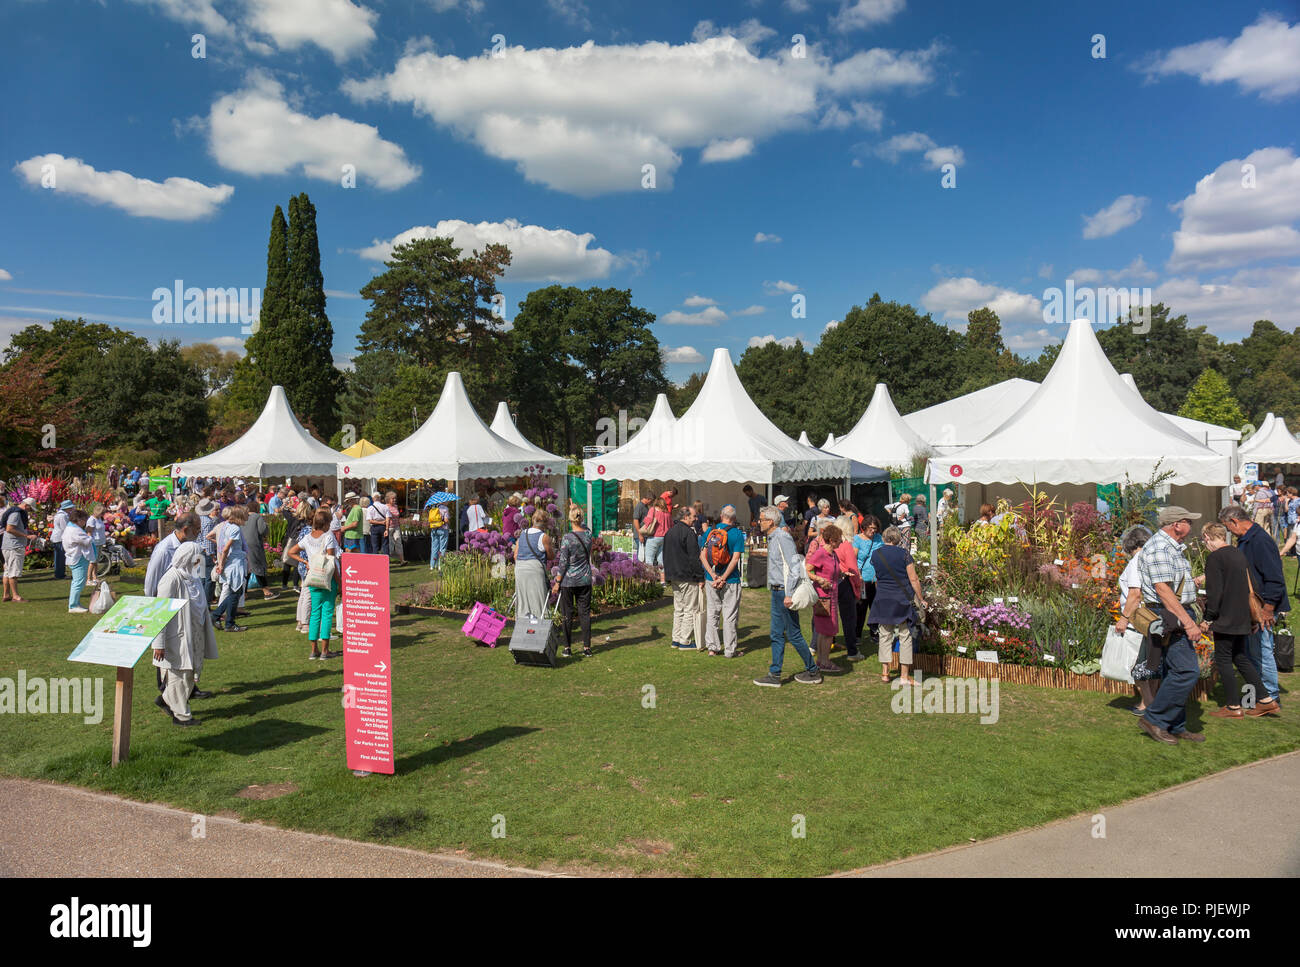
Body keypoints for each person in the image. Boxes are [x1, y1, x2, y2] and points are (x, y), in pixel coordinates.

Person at [1135, 507, 1206, 744]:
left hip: (1171, 613)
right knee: (1187, 670)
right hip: (1169, 614)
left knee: (1172, 670)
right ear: (1176, 524)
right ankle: (1154, 719)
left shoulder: (1170, 548)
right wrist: (1188, 623)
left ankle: (1174, 725)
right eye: (1188, 521)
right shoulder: (1160, 548)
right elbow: (1163, 591)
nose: (1191, 526)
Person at [1198, 523, 1271, 719]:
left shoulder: (1215, 558)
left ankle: (1232, 706)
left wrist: (1208, 618)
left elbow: (1215, 593)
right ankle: (1265, 699)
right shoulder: (1239, 554)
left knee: (1223, 660)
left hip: (1226, 618)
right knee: (1240, 657)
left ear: (1207, 537)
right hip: (1242, 617)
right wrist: (1253, 620)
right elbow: (1252, 586)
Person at [1219, 505, 1285, 711]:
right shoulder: (1248, 539)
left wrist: (1268, 608)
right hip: (1252, 606)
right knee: (1252, 652)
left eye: (1228, 528)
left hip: (1262, 606)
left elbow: (1275, 578)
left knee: (1261, 651)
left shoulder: (1260, 541)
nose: (1229, 532)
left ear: (1234, 521)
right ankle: (1260, 697)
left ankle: (1270, 697)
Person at [753, 506, 821, 687]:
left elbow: (794, 567)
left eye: (761, 519)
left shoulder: (782, 537)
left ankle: (812, 670)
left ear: (771, 521)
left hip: (784, 592)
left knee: (793, 633)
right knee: (777, 633)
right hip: (777, 592)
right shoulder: (773, 537)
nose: (759, 522)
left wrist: (789, 594)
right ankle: (775, 674)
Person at [152, 544, 217, 726]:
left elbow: (198, 601)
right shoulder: (171, 579)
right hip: (177, 635)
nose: (199, 561)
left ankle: (165, 700)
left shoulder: (193, 576)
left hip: (194, 633)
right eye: (197, 557)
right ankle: (181, 716)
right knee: (179, 675)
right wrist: (159, 643)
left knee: (189, 673)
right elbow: (160, 612)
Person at [1114, 525, 1160, 715]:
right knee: (1152, 662)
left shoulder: (1136, 562)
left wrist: (1124, 618)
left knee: (1137, 663)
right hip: (1154, 616)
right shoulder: (1152, 559)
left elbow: (1135, 594)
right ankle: (1149, 701)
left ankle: (1149, 704)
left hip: (1139, 618)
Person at [871, 525, 925, 685]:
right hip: (902, 599)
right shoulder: (904, 554)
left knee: (885, 635)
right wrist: (921, 598)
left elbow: (877, 577)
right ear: (898, 539)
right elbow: (913, 579)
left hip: (883, 598)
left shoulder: (876, 554)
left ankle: (885, 673)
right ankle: (904, 675)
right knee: (905, 636)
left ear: (884, 538)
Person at [286, 508, 342, 661]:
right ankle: (325, 650)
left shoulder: (308, 538)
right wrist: (340, 583)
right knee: (327, 613)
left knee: (315, 614)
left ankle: (314, 650)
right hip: (327, 578)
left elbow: (291, 551)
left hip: (313, 578)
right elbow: (331, 563)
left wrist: (305, 562)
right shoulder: (328, 536)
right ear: (326, 524)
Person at [700, 504, 745, 657]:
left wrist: (713, 576)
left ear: (721, 516)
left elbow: (702, 556)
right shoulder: (737, 534)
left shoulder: (709, 532)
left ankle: (712, 647)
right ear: (734, 518)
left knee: (713, 613)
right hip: (731, 579)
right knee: (730, 615)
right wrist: (723, 578)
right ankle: (730, 650)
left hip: (711, 578)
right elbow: (735, 559)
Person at [552, 506, 594, 658]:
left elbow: (563, 563)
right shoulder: (588, 535)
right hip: (585, 579)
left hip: (569, 581)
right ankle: (587, 647)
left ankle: (567, 647)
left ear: (570, 520)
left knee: (567, 615)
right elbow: (587, 528)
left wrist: (557, 581)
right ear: (581, 519)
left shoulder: (567, 538)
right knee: (584, 614)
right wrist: (576, 510)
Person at [664, 505, 706, 651]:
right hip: (687, 576)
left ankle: (676, 639)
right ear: (686, 516)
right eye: (694, 516)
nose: (696, 519)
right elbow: (694, 558)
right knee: (689, 609)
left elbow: (666, 556)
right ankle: (685, 641)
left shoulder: (670, 532)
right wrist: (700, 577)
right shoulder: (688, 532)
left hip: (674, 576)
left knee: (679, 609)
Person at [804, 521, 844, 673]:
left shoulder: (833, 554)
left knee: (823, 631)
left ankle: (821, 660)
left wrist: (842, 573)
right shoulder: (821, 553)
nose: (841, 540)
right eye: (839, 538)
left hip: (831, 596)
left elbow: (834, 571)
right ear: (832, 540)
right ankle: (825, 662)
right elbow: (807, 570)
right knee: (828, 631)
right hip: (823, 597)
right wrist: (819, 579)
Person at [212, 505, 250, 632]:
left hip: (232, 562)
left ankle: (218, 616)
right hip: (234, 563)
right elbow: (225, 548)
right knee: (235, 592)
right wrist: (221, 564)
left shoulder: (226, 526)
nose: (247, 517)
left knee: (235, 592)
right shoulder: (235, 529)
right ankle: (227, 622)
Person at [144, 512, 200, 596]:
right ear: (186, 530)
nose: (199, 533)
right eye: (197, 529)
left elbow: (197, 574)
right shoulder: (163, 550)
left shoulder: (192, 545)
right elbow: (151, 584)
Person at [513, 508, 553, 618]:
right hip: (535, 569)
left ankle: (522, 626)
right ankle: (541, 628)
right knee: (539, 600)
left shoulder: (522, 534)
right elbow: (551, 556)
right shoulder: (544, 537)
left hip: (520, 568)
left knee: (523, 601)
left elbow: (515, 555)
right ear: (545, 523)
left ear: (532, 520)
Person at [853, 514, 884, 648]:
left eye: (875, 529)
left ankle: (874, 633)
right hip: (862, 579)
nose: (873, 531)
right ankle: (857, 635)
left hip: (876, 579)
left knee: (876, 608)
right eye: (871, 528)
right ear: (864, 527)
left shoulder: (878, 538)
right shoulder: (857, 539)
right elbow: (853, 559)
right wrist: (857, 575)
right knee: (861, 608)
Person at [2, 496, 37, 603]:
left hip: (8, 545)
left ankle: (6, 594)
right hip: (14, 546)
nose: (30, 511)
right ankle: (15, 596)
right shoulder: (16, 514)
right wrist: (26, 536)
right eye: (30, 509)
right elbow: (9, 529)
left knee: (7, 571)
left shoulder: (14, 511)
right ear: (26, 505)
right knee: (13, 571)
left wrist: (26, 533)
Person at [241, 503, 276, 601]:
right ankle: (266, 592)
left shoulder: (243, 516)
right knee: (258, 567)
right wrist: (267, 527)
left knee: (247, 569)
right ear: (257, 508)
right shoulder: (257, 516)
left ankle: (244, 593)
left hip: (242, 545)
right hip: (254, 545)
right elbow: (262, 530)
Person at [62, 509, 94, 614]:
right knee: (78, 582)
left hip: (75, 557)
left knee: (78, 582)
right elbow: (86, 540)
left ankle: (76, 603)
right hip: (78, 558)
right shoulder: (75, 530)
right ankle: (73, 605)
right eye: (84, 520)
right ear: (79, 520)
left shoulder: (71, 527)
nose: (85, 522)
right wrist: (89, 533)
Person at [641, 496, 671, 584]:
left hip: (653, 537)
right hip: (664, 538)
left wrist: (644, 521)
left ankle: (649, 580)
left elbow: (648, 521)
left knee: (649, 559)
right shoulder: (667, 513)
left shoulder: (653, 510)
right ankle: (663, 581)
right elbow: (671, 525)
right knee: (661, 560)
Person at [50, 499, 73, 580]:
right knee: (60, 557)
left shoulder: (62, 514)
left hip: (58, 537)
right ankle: (60, 574)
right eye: (70, 508)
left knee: (60, 557)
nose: (71, 509)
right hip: (59, 538)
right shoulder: (62, 516)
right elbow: (65, 527)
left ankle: (60, 573)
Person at [86, 503, 107, 582]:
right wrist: (90, 542)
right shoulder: (91, 520)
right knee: (92, 561)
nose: (103, 514)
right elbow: (89, 532)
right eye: (102, 513)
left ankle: (95, 577)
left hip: (100, 542)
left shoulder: (99, 519)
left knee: (96, 561)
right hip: (94, 543)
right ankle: (88, 579)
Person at [427, 499, 449, 569]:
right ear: (444, 501)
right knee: (442, 548)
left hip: (434, 529)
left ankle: (432, 565)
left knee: (434, 547)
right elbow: (446, 520)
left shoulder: (433, 508)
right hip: (443, 529)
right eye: (447, 501)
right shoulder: (445, 508)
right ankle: (440, 565)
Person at [632, 494, 652, 562]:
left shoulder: (645, 506)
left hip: (643, 534)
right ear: (648, 499)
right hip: (639, 535)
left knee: (643, 554)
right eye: (651, 501)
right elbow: (635, 520)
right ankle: (639, 570)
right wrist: (640, 534)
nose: (651, 503)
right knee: (641, 554)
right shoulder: (639, 506)